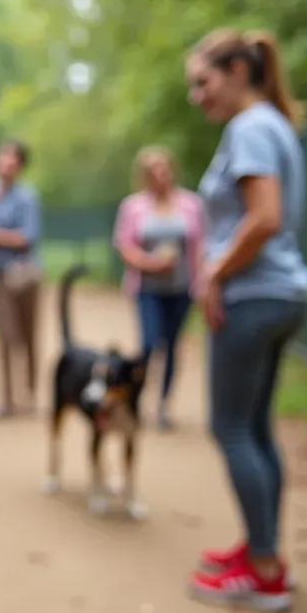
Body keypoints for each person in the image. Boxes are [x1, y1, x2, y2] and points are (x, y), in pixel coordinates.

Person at [185, 29, 307, 612]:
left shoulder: (250, 128)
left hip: (254, 296)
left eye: (204, 82)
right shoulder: (275, 125)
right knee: (256, 429)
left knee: (232, 428)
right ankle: (263, 550)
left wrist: (213, 274)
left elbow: (263, 218)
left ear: (238, 69)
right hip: (281, 293)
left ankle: (263, 573)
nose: (197, 96)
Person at [113, 146, 205, 429]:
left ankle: (164, 406)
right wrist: (149, 263)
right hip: (147, 289)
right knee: (150, 345)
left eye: (164, 169)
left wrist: (201, 284)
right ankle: (136, 400)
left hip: (181, 289)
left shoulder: (191, 204)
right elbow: (124, 245)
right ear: (145, 176)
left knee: (173, 346)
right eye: (153, 171)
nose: (160, 175)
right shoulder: (133, 206)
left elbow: (200, 246)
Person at [0, 140, 43, 419]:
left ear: (20, 166)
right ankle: (7, 401)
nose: (6, 162)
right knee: (5, 338)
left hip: (25, 277)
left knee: (28, 336)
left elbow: (27, 237)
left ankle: (30, 396)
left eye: (12, 158)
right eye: (3, 156)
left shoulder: (27, 197)